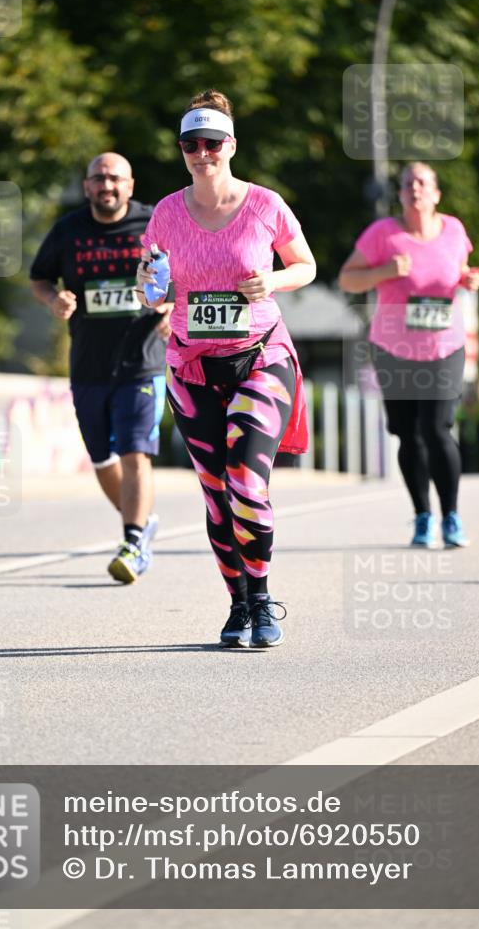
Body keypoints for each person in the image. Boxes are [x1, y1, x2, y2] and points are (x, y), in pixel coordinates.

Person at [137, 90, 316, 649]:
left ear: (231, 145)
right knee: (216, 491)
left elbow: (305, 266)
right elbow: (150, 293)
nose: (202, 153)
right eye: (191, 144)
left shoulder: (265, 205)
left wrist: (274, 281)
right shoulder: (166, 212)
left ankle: (262, 599)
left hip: (260, 355)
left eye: (212, 143)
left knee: (245, 478)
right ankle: (237, 605)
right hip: (191, 365)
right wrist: (150, 283)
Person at [30, 152, 173, 583]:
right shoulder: (69, 230)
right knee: (100, 459)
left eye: (115, 178)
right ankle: (143, 524)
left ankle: (131, 542)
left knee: (135, 452)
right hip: (88, 362)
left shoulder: (156, 223)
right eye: (98, 178)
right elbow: (40, 278)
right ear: (87, 185)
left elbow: (190, 269)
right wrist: (54, 300)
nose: (106, 186)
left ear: (130, 185)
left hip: (143, 359)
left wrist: (174, 304)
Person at [338, 162, 479, 548]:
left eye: (422, 182)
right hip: (393, 349)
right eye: (407, 183)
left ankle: (451, 516)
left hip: (443, 347)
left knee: (436, 429)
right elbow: (347, 278)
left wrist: (470, 279)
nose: (414, 188)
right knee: (408, 435)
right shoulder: (382, 234)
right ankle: (423, 516)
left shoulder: (453, 230)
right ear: (400, 194)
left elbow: (462, 271)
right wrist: (383, 271)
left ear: (435, 193)